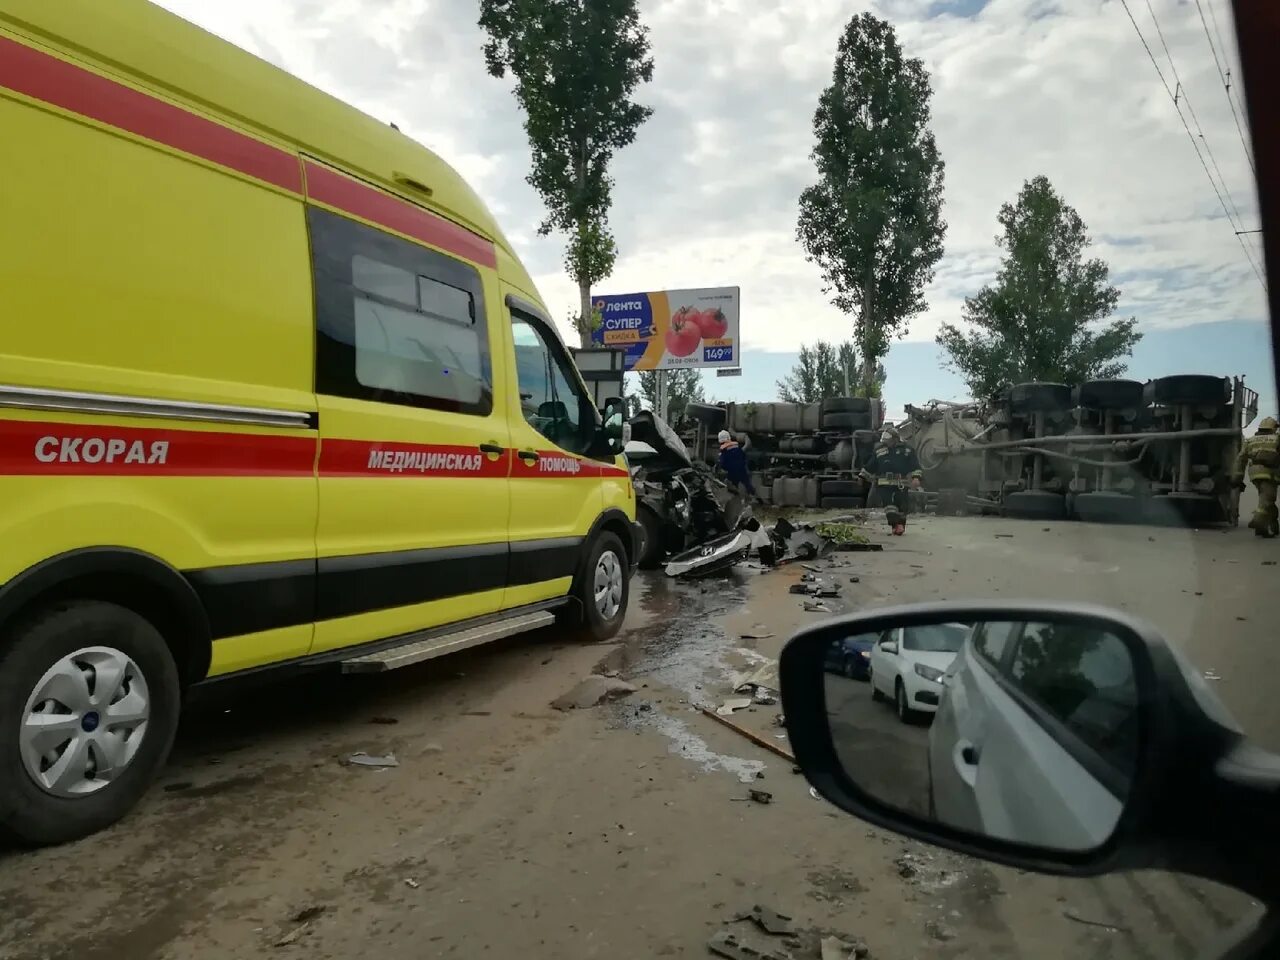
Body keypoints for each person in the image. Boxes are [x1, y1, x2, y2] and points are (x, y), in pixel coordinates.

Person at [861, 425, 923, 535]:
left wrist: (916, 478)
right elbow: (871, 465)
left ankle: (900, 525)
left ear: (895, 439)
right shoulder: (879, 451)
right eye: (885, 441)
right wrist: (862, 476)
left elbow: (915, 466)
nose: (886, 443)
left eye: (888, 441)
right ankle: (895, 524)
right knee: (889, 506)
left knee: (902, 506)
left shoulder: (907, 450)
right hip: (884, 483)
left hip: (901, 483)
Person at [1232, 415, 1280, 538]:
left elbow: (1240, 459)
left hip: (1254, 474)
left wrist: (1237, 478)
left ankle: (1271, 526)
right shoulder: (1276, 439)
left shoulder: (1250, 440)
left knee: (1267, 499)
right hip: (1270, 473)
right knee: (1268, 498)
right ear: (1273, 428)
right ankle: (1258, 520)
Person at [716, 429, 761, 502]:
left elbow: (722, 463)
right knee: (747, 484)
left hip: (731, 472)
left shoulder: (723, 451)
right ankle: (755, 498)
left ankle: (735, 499)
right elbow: (743, 456)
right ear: (729, 438)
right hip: (741, 470)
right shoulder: (736, 447)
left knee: (732, 486)